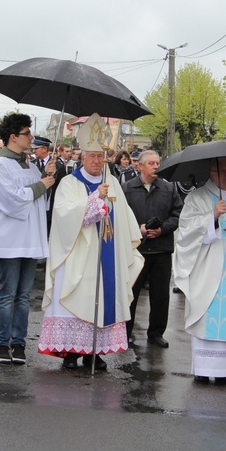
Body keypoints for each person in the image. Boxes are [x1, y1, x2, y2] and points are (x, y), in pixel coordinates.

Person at [38, 115, 144, 369]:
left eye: (101, 156)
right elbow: (64, 217)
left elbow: (124, 218)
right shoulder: (70, 183)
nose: (97, 161)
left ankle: (94, 353)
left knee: (103, 299)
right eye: (92, 156)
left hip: (107, 254)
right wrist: (96, 198)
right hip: (78, 256)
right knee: (77, 297)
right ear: (82, 157)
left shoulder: (114, 183)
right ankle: (71, 352)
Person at [173, 157, 226, 383]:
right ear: (212, 174)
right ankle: (204, 368)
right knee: (206, 311)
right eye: (222, 171)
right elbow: (185, 232)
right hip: (207, 268)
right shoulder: (196, 198)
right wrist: (212, 217)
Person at [0, 113, 55, 365]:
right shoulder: (0, 166)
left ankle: (19, 342)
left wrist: (47, 177)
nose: (31, 138)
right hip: (10, 238)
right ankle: (2, 343)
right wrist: (41, 186)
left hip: (30, 237)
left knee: (24, 295)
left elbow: (38, 203)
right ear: (13, 137)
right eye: (27, 133)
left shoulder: (32, 166)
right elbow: (10, 199)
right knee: (8, 293)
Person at [122, 150, 183, 348]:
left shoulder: (168, 188)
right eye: (151, 163)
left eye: (157, 163)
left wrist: (162, 229)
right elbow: (121, 216)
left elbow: (178, 214)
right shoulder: (127, 189)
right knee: (131, 293)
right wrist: (137, 229)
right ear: (139, 166)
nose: (156, 166)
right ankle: (125, 332)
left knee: (160, 296)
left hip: (162, 249)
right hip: (136, 249)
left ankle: (156, 333)